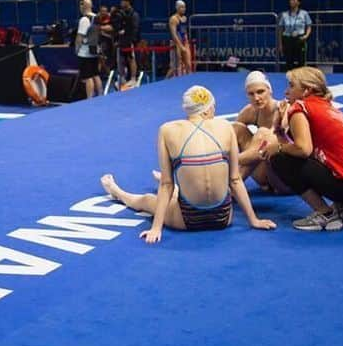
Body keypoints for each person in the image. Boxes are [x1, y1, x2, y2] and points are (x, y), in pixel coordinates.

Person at [100, 85, 276, 242]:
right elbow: (235, 180)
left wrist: (156, 227)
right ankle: (180, 188)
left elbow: (166, 184)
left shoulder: (167, 129)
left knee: (147, 200)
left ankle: (118, 192)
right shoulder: (225, 127)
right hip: (223, 217)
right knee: (179, 187)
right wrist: (253, 220)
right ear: (208, 110)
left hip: (187, 220)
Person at [264, 66, 343, 231]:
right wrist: (278, 130)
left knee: (279, 159)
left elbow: (303, 149)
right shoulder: (325, 106)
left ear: (306, 90)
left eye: (291, 86)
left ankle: (324, 212)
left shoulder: (299, 107)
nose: (286, 92)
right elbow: (306, 149)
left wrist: (276, 147)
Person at [232, 71, 292, 193]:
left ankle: (232, 186)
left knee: (263, 133)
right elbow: (229, 137)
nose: (256, 98)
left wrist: (226, 160)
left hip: (285, 177)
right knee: (235, 128)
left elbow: (267, 146)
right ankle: (223, 181)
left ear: (270, 90)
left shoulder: (284, 109)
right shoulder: (250, 111)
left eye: (260, 92)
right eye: (251, 94)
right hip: (263, 173)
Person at [74, 0, 102, 99]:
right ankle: (100, 96)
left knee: (88, 77)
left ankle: (89, 99)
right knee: (96, 74)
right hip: (95, 50)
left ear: (83, 6)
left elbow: (80, 36)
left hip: (85, 52)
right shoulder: (96, 17)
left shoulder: (84, 19)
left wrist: (77, 49)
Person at [278, 0, 312, 71]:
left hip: (300, 39)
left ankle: (301, 79)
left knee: (301, 61)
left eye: (293, 0)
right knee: (289, 62)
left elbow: (309, 26)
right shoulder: (284, 14)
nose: (291, 2)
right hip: (288, 39)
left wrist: (306, 36)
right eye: (290, 0)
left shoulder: (304, 13)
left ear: (298, 2)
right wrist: (280, 44)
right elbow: (280, 30)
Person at [118, 0, 141, 86]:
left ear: (128, 2)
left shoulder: (134, 14)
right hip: (123, 41)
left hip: (131, 41)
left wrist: (132, 40)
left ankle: (133, 78)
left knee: (131, 59)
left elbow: (135, 28)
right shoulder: (122, 13)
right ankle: (123, 78)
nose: (121, 3)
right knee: (122, 59)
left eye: (123, 1)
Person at [168, 0, 191, 77]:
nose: (183, 9)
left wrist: (186, 42)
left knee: (188, 65)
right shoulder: (173, 19)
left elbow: (184, 32)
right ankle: (165, 82)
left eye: (184, 7)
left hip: (184, 42)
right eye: (181, 7)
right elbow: (174, 34)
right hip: (176, 43)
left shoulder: (185, 18)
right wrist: (180, 46)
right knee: (174, 67)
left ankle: (188, 82)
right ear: (177, 8)